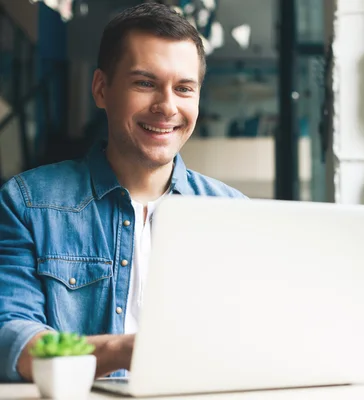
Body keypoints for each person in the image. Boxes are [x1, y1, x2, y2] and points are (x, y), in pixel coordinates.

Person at [0, 2, 246, 382]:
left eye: (183, 88)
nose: (167, 106)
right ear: (101, 89)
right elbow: (12, 336)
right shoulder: (26, 202)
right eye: (145, 83)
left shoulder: (234, 213)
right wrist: (124, 351)